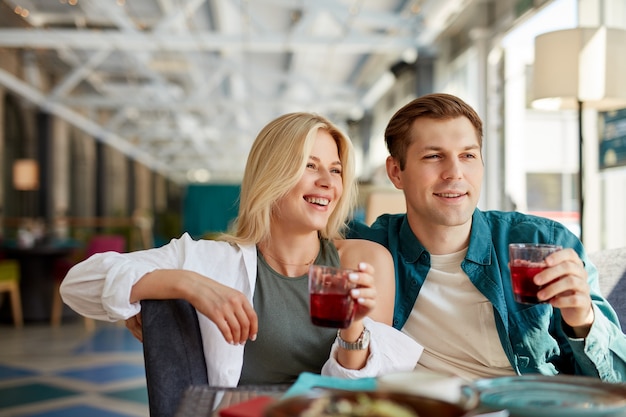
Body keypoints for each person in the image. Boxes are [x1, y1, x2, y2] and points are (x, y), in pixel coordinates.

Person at [60, 112, 421, 387]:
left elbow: (362, 394)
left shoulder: (363, 262)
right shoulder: (210, 260)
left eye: (336, 170)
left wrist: (354, 330)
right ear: (272, 174)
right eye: (309, 166)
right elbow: (78, 285)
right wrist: (187, 284)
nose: (327, 182)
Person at [347, 93, 626, 382]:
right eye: (433, 156)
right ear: (396, 172)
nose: (454, 173)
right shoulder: (372, 248)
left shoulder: (544, 241)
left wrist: (582, 319)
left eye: (467, 155)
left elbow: (616, 382)